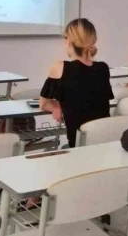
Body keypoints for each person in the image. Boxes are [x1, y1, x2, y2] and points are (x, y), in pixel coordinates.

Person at [40, 18, 113, 148]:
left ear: (68, 41)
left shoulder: (60, 67)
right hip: (105, 141)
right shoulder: (103, 68)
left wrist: (56, 107)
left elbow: (44, 104)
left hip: (79, 146)